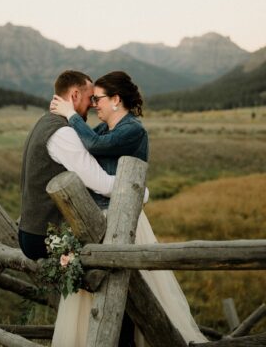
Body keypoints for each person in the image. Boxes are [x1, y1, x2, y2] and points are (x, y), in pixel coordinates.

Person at [49, 71, 206, 345]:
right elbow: (85, 145)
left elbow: (95, 146)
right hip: (100, 217)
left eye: (98, 98)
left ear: (116, 100)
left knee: (129, 291)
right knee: (104, 290)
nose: (95, 104)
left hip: (122, 220)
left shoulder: (133, 129)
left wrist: (70, 114)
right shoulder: (104, 128)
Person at [18, 70, 140, 260]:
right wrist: (139, 189)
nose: (93, 105)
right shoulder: (63, 133)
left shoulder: (44, 122)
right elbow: (101, 184)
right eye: (90, 98)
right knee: (116, 246)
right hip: (44, 237)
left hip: (30, 231)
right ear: (75, 95)